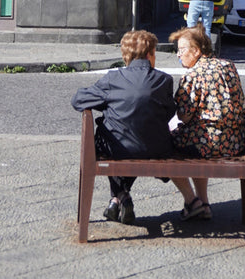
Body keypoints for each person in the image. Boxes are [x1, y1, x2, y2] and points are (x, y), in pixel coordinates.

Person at [71, 30, 175, 225]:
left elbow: (78, 100)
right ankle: (118, 199)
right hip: (157, 149)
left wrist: (109, 105)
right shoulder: (164, 80)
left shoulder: (113, 79)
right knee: (134, 135)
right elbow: (169, 112)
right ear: (149, 54)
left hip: (118, 148)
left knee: (117, 135)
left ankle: (120, 196)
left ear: (126, 55)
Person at [169, 24, 245, 221]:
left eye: (182, 50)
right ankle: (203, 203)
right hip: (234, 140)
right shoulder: (228, 66)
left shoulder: (192, 75)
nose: (178, 55)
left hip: (209, 144)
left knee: (164, 146)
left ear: (196, 51)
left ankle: (192, 201)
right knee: (196, 135)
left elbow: (184, 116)